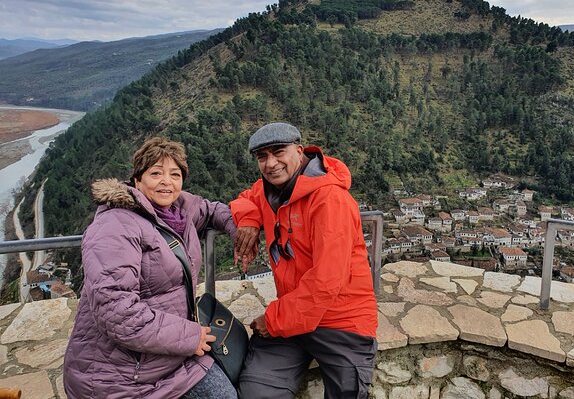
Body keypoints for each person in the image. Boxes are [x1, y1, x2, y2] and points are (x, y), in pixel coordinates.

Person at [63, 137, 238, 399]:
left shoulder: (179, 211)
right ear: (137, 180)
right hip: (120, 373)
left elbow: (213, 210)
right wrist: (190, 336)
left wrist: (241, 232)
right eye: (156, 173)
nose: (166, 181)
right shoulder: (115, 226)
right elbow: (117, 312)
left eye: (175, 174)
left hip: (172, 356)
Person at [231, 122, 378, 399]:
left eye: (278, 152)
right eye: (262, 157)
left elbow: (326, 282)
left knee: (347, 393)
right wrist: (249, 221)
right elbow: (244, 199)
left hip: (341, 320)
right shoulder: (268, 191)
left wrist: (273, 320)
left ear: (299, 151)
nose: (271, 164)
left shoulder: (330, 200)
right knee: (255, 392)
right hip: (292, 318)